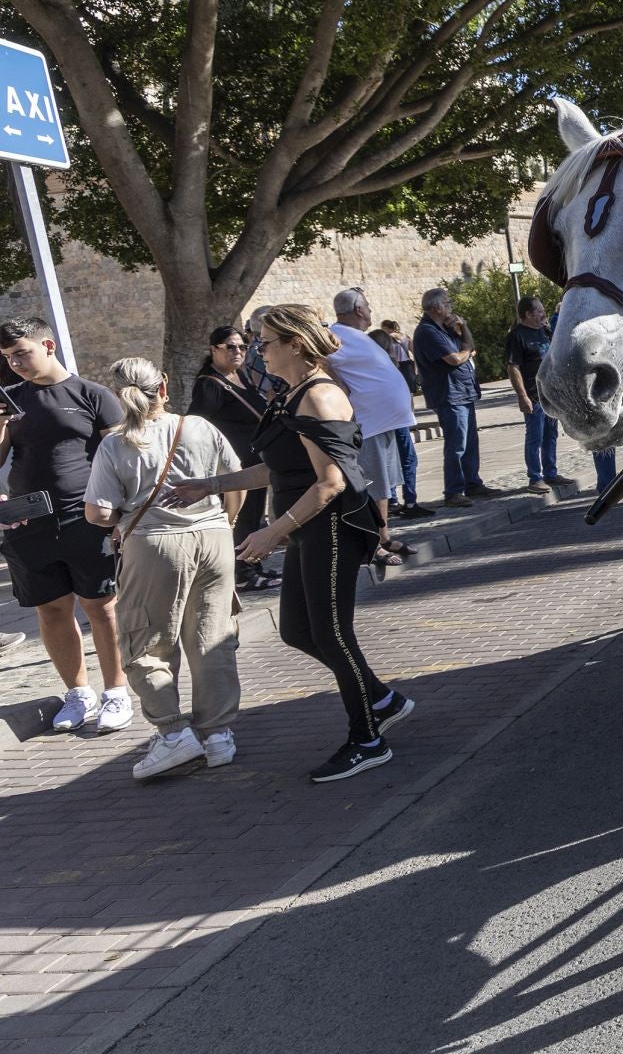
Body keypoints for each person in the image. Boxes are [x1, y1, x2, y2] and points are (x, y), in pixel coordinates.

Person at [165, 304, 414, 783]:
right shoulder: (291, 393)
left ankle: (368, 739)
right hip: (307, 526)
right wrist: (209, 485)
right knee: (298, 631)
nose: (257, 349)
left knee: (332, 633)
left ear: (294, 344)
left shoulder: (319, 396)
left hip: (335, 525)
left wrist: (270, 532)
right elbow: (279, 469)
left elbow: (330, 482)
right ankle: (381, 698)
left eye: (264, 341)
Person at [84, 358, 244, 779]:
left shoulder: (116, 444)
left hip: (153, 543)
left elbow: (98, 511)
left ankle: (173, 733)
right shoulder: (199, 427)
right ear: (165, 385)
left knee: (145, 642)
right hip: (214, 538)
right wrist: (225, 522)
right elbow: (235, 480)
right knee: (212, 637)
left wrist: (120, 518)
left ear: (120, 395)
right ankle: (217, 735)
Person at [0, 316, 134, 734]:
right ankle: (79, 694)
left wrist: (120, 518)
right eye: (7, 357)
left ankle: (116, 691)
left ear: (49, 345)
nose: (16, 364)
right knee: (51, 609)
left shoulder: (92, 395)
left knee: (101, 607)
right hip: (29, 520)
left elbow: (123, 460)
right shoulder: (10, 401)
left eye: (22, 353)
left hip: (86, 516)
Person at [329, 288, 420, 566]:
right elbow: (318, 360)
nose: (370, 311)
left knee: (385, 486)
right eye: (367, 306)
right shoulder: (335, 336)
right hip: (368, 424)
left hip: (384, 423)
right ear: (358, 310)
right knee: (374, 486)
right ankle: (372, 545)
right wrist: (338, 383)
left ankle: (383, 537)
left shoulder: (355, 337)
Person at [189, 326, 279, 592]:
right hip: (236, 465)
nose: (238, 352)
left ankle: (254, 565)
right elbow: (197, 426)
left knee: (253, 518)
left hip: (256, 460)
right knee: (243, 518)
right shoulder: (210, 384)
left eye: (243, 346)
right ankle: (243, 572)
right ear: (213, 350)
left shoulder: (240, 375)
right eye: (230, 347)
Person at [413, 288, 497, 507]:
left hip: (463, 392)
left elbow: (469, 348)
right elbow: (454, 359)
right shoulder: (427, 331)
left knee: (470, 442)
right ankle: (453, 491)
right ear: (437, 307)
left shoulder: (446, 328)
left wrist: (464, 327)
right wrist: (466, 352)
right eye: (448, 303)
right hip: (449, 394)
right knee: (457, 444)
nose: (451, 307)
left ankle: (472, 483)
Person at [505, 295, 577, 494]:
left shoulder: (544, 331)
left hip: (550, 395)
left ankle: (551, 473)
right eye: (538, 311)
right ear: (527, 314)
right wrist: (522, 396)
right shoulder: (517, 336)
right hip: (533, 396)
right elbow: (513, 367)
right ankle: (534, 478)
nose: (543, 313)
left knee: (550, 436)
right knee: (534, 437)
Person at [380, 319, 420, 395]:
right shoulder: (405, 337)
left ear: (388, 328)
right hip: (408, 366)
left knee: (400, 392)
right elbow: (415, 352)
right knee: (410, 392)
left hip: (395, 366)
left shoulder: (387, 339)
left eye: (383, 329)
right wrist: (416, 368)